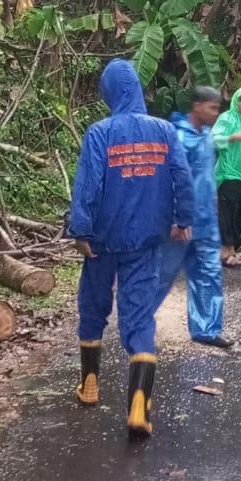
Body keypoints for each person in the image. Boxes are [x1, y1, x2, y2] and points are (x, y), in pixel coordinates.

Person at [69, 59, 193, 438]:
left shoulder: (100, 132)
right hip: (146, 240)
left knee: (93, 307)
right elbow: (182, 178)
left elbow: (88, 185)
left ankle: (90, 386)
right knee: (138, 319)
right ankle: (139, 404)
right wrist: (183, 220)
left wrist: (81, 230)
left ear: (109, 92)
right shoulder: (165, 131)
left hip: (103, 241)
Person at [153, 86, 234, 348]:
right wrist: (177, 218)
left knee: (209, 273)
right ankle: (137, 320)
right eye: (212, 108)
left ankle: (207, 329)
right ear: (197, 106)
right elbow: (168, 181)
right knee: (162, 274)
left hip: (207, 222)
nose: (215, 114)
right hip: (180, 223)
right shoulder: (177, 137)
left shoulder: (208, 136)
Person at [211, 86, 241, 267]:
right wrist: (232, 137)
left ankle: (231, 251)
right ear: (236, 100)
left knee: (239, 213)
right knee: (227, 213)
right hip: (227, 172)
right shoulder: (226, 118)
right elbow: (213, 139)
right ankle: (224, 251)